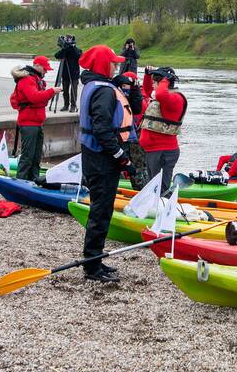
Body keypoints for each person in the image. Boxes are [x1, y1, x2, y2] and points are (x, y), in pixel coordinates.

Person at [78, 45, 143, 282]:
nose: (117, 66)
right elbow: (102, 129)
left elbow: (133, 109)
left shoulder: (94, 85)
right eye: (113, 63)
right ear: (103, 65)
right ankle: (92, 266)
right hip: (102, 159)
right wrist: (122, 158)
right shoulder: (104, 91)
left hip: (95, 157)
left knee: (101, 209)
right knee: (101, 211)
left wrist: (133, 88)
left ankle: (94, 259)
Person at [10, 55, 61, 182]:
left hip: (36, 123)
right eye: (45, 69)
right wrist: (51, 91)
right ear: (37, 66)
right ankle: (21, 181)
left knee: (36, 156)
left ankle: (34, 180)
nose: (46, 72)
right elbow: (34, 97)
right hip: (28, 123)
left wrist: (49, 93)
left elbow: (38, 98)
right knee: (27, 156)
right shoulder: (27, 80)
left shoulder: (35, 79)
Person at [139, 65, 187, 193]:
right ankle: (156, 204)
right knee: (153, 184)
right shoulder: (162, 96)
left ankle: (162, 205)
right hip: (154, 150)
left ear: (163, 84)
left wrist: (165, 78)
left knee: (160, 187)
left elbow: (160, 93)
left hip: (163, 151)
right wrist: (147, 75)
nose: (153, 85)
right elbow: (146, 92)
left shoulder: (175, 98)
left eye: (155, 82)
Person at [54, 35, 82, 112]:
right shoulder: (64, 50)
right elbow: (56, 55)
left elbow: (79, 56)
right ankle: (66, 105)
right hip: (65, 73)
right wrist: (65, 49)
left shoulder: (77, 50)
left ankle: (73, 106)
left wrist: (72, 47)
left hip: (74, 74)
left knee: (73, 90)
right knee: (65, 90)